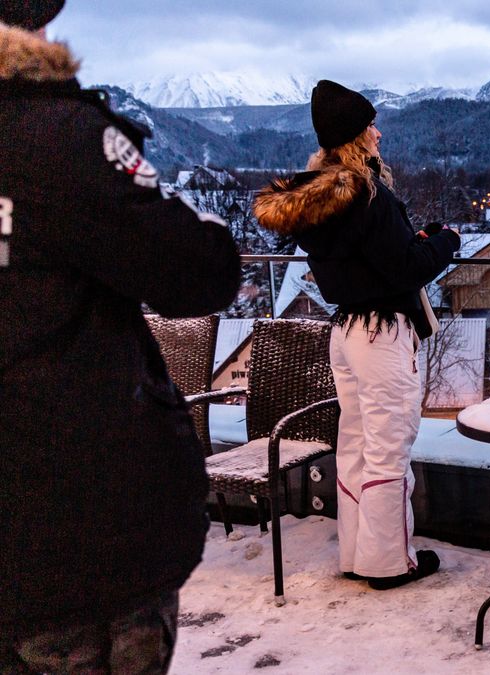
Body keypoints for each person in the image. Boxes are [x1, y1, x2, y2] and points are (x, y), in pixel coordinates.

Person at [0, 1, 242, 672]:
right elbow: (198, 271)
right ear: (33, 30)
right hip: (76, 537)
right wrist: (203, 217)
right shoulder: (52, 136)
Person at [254, 80, 460, 590]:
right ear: (354, 137)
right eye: (371, 125)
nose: (379, 133)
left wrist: (412, 242)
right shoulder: (370, 195)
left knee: (355, 444)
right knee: (389, 448)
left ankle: (356, 553)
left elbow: (368, 257)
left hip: (345, 331)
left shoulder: (319, 202)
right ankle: (390, 563)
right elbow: (406, 269)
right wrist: (446, 243)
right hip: (383, 334)